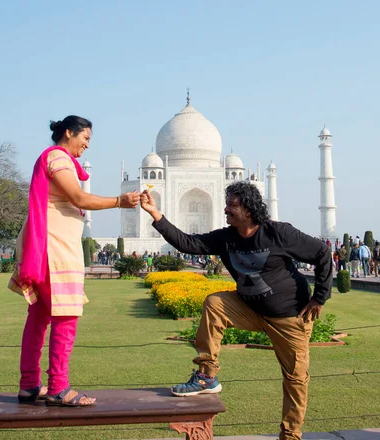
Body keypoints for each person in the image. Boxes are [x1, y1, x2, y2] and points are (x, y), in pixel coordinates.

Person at [140, 182, 333, 440]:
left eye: (232, 205)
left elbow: (322, 252)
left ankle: (290, 435)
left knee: (296, 379)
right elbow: (189, 242)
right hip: (249, 308)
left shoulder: (278, 233)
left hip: (289, 317)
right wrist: (156, 214)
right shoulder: (227, 237)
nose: (226, 209)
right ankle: (207, 375)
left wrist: (319, 298)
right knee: (215, 303)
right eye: (227, 203)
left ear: (249, 209)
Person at [8, 115, 140, 406]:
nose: (87, 145)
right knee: (66, 316)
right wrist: (119, 201)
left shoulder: (55, 159)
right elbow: (79, 198)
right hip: (53, 247)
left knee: (40, 316)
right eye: (86, 138)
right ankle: (58, 387)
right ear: (69, 132)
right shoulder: (58, 157)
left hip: (45, 243)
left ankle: (29, 384)